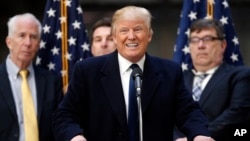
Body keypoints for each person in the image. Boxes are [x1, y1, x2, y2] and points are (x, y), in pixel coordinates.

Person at [53, 6, 215, 141]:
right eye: (124, 31)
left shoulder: (169, 72)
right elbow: (65, 115)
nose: (131, 36)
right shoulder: (87, 71)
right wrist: (75, 137)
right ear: (115, 37)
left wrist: (199, 135)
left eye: (138, 29)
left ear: (149, 35)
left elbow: (189, 112)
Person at [174, 19, 250, 141]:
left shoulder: (240, 76)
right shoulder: (177, 78)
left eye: (208, 39)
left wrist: (197, 136)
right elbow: (165, 115)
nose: (200, 46)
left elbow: (237, 114)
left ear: (223, 45)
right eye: (194, 40)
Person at [0, 13, 63, 141]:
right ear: (9, 42)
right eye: (22, 35)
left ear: (38, 44)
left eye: (33, 37)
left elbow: (59, 122)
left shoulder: (51, 81)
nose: (28, 43)